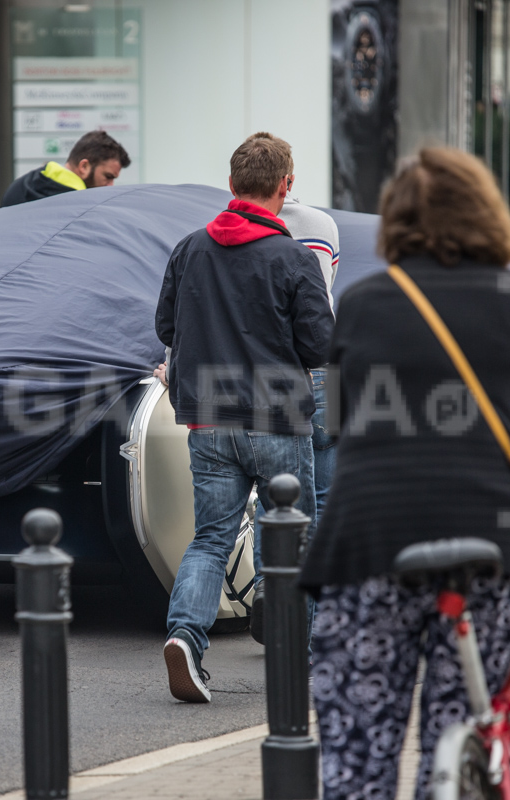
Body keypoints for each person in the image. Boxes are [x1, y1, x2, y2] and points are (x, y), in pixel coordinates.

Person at [298, 147, 510, 799]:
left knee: (358, 753)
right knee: (464, 723)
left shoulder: (361, 303)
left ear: (396, 221)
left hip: (369, 545)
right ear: (484, 214)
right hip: (494, 548)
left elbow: (336, 417)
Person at [155, 132, 334, 702]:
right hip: (278, 419)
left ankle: (184, 638)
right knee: (292, 541)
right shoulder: (294, 257)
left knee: (211, 538)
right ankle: (296, 655)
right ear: (286, 185)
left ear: (231, 185)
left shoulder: (188, 249)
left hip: (208, 419)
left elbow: (166, 328)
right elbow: (319, 346)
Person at [0, 130, 130, 207]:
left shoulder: (20, 185)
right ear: (84, 166)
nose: (110, 185)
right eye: (108, 177)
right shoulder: (82, 206)